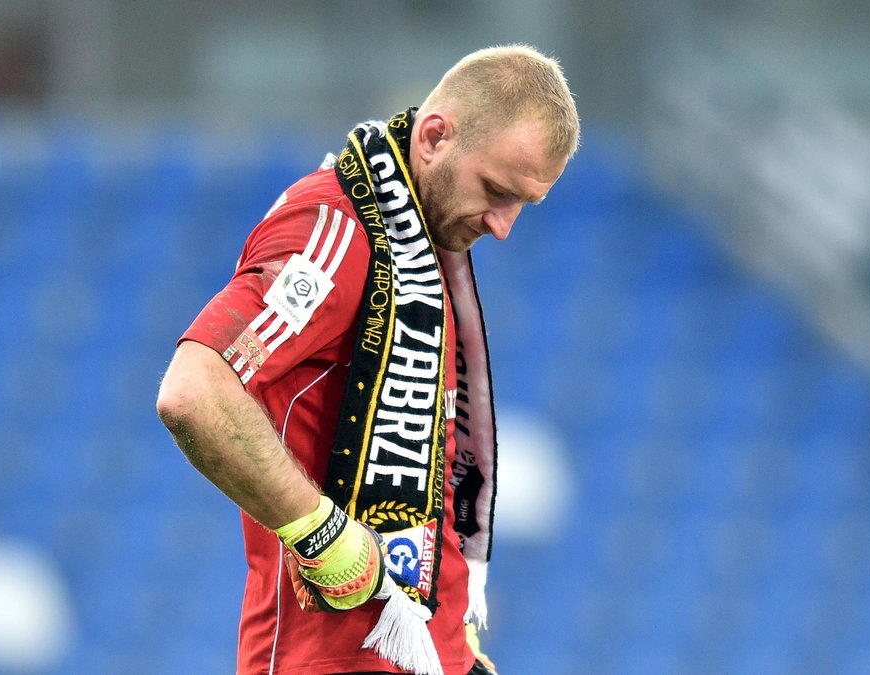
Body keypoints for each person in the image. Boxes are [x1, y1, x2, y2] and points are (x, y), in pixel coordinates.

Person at [156, 44, 579, 675]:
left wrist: (454, 651)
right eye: (495, 190)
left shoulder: (414, 245)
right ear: (435, 137)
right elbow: (195, 390)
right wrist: (318, 531)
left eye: (523, 203)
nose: (503, 225)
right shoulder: (335, 227)